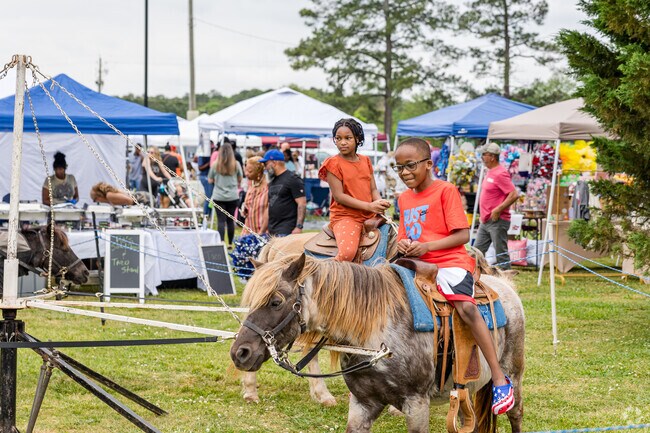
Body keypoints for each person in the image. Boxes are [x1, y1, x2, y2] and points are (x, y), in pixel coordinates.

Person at [393, 137, 514, 416]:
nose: (404, 173)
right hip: (416, 264)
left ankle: (498, 377)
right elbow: (403, 233)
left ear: (428, 163)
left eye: (410, 165)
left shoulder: (445, 191)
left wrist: (427, 246)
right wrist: (403, 244)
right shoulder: (403, 198)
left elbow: (462, 235)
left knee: (467, 308)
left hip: (449, 262)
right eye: (398, 168)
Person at [318, 118, 390, 261]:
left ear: (357, 139)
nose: (342, 142)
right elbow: (339, 197)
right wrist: (369, 206)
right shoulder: (332, 163)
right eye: (338, 138)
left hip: (369, 214)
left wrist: (379, 201)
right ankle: (326, 275)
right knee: (347, 254)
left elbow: (373, 189)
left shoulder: (365, 160)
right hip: (346, 216)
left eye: (348, 138)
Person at [474, 143, 519, 270]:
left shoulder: (500, 173)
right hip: (486, 220)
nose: (482, 157)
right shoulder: (490, 172)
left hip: (497, 221)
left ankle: (507, 281)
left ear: (492, 157)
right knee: (476, 253)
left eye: (484, 155)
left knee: (501, 255)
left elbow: (514, 194)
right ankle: (475, 278)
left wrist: (498, 209)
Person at [260, 148, 306, 236]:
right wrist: (262, 230)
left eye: (266, 164)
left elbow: (302, 204)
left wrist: (299, 227)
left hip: (287, 230)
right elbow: (270, 206)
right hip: (272, 231)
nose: (265, 167)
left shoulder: (293, 179)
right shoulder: (272, 181)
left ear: (274, 162)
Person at [208, 142, 243, 248]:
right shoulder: (236, 164)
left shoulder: (215, 164)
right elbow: (240, 178)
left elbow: (210, 180)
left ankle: (222, 242)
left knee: (221, 221)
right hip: (233, 196)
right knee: (230, 220)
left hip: (218, 196)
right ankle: (230, 243)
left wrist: (217, 180)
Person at [241, 156, 268, 235]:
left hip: (263, 231)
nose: (246, 174)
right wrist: (244, 208)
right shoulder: (251, 184)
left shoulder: (268, 187)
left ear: (258, 172)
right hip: (248, 229)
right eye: (245, 170)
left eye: (250, 171)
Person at [197, 140, 216, 216]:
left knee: (210, 197)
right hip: (204, 176)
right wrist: (210, 163)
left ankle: (209, 214)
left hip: (209, 177)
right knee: (208, 197)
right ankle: (206, 214)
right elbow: (200, 167)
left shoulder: (212, 154)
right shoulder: (202, 155)